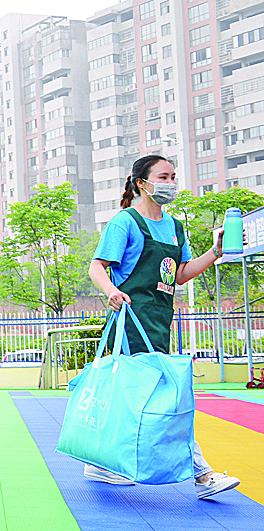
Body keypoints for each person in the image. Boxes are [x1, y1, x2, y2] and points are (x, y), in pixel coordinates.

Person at [87, 154, 240, 499]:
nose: (171, 183)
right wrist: (112, 291)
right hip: (131, 320)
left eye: (173, 176)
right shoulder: (125, 222)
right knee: (168, 397)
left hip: (159, 321)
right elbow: (97, 266)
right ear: (141, 183)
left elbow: (179, 275)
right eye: (163, 177)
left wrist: (215, 252)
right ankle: (202, 474)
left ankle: (98, 462)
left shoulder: (174, 226)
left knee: (132, 398)